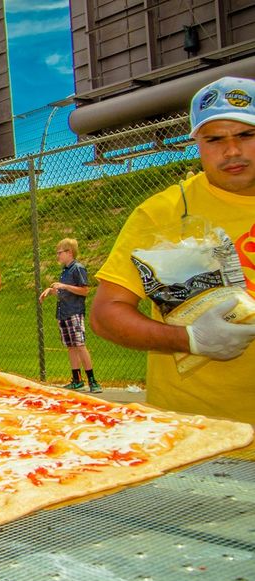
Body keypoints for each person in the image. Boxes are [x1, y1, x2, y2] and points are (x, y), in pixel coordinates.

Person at [91, 75, 255, 423]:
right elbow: (106, 314)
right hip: (200, 431)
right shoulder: (162, 213)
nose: (232, 151)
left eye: (246, 135)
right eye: (214, 140)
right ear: (196, 142)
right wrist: (190, 339)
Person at [39, 238, 101, 393]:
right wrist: (51, 291)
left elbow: (84, 290)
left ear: (69, 252)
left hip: (74, 311)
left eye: (60, 253)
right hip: (64, 312)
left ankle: (92, 380)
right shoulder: (65, 271)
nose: (58, 256)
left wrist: (64, 286)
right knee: (71, 346)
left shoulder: (77, 268)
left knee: (80, 345)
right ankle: (77, 379)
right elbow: (65, 292)